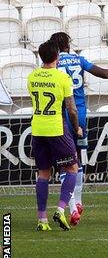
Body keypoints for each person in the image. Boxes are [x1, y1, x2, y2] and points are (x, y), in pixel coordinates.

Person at [49, 32, 108, 226]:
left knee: (64, 163)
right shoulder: (79, 60)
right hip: (79, 114)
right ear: (67, 45)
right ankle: (78, 201)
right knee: (77, 157)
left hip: (60, 117)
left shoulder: (54, 64)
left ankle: (71, 207)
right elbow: (103, 73)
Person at [28, 41, 82, 231]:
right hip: (56, 129)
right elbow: (72, 109)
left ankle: (42, 221)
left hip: (37, 128)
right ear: (57, 57)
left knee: (43, 173)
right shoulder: (62, 77)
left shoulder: (32, 76)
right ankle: (60, 209)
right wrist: (76, 128)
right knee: (72, 168)